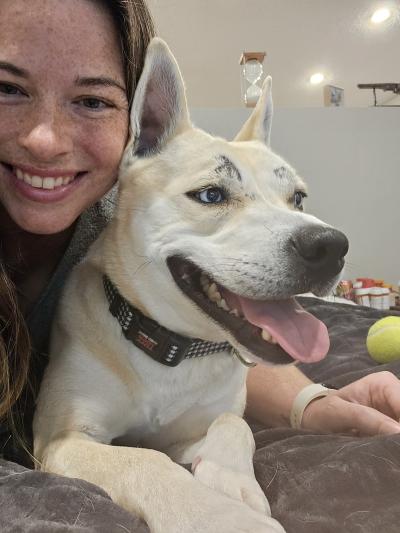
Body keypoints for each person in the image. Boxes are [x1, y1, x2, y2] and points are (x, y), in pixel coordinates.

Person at [1, 0, 400, 474]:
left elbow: (199, 337)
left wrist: (310, 403)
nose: (47, 141)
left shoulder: (121, 212)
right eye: (7, 88)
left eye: (92, 101)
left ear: (132, 125)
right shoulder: (137, 223)